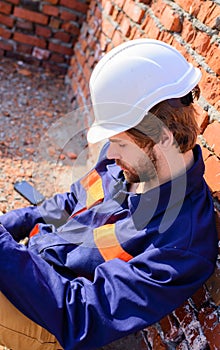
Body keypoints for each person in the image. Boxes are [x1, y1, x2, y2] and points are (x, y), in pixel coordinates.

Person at [0, 39, 218, 350]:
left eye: (121, 143)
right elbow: (69, 203)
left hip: (52, 318)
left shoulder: (182, 244)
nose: (109, 153)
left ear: (164, 138)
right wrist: (8, 227)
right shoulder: (128, 162)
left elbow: (82, 318)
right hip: (30, 268)